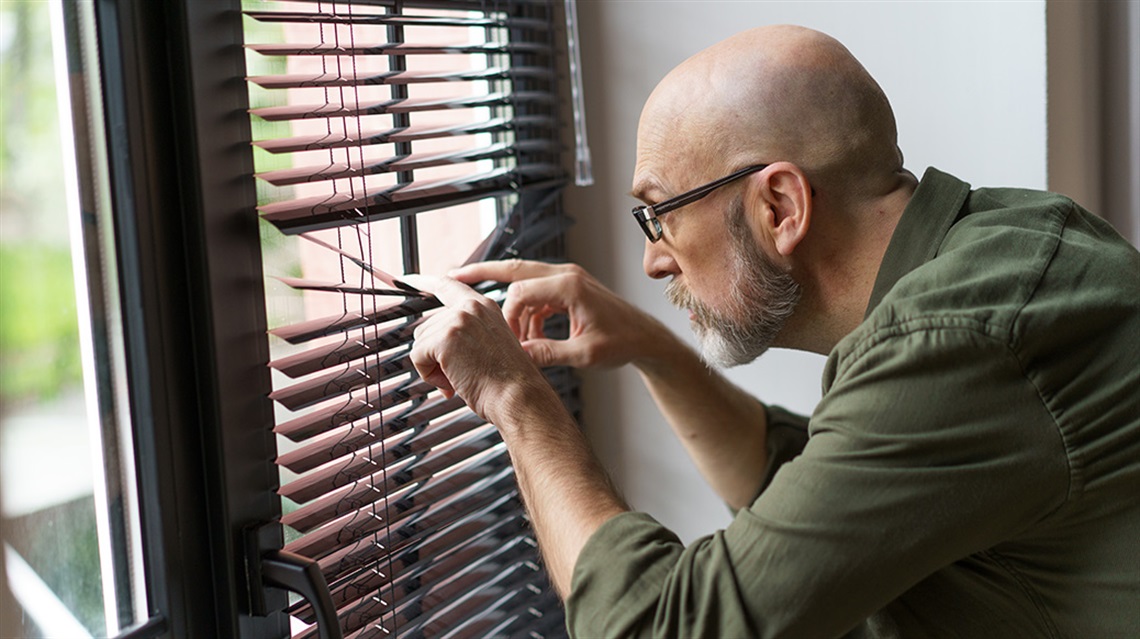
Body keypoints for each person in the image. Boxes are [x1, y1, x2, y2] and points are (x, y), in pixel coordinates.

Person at [403, 25, 1140, 639]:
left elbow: (657, 627)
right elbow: (807, 496)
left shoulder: (961, 337)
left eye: (659, 214)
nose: (653, 259)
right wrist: (655, 352)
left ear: (781, 206)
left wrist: (514, 396)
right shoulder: (1007, 240)